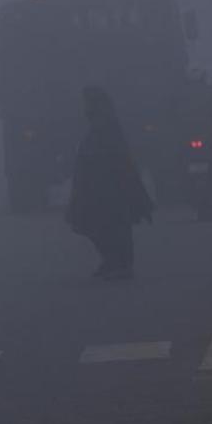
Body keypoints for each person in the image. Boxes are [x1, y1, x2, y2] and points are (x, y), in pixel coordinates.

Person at [66, 87, 154, 281]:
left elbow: (113, 158)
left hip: (107, 187)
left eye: (85, 102)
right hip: (100, 187)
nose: (83, 107)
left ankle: (119, 262)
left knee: (106, 223)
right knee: (96, 223)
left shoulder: (105, 126)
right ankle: (115, 261)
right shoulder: (99, 125)